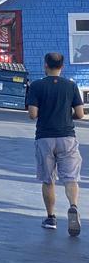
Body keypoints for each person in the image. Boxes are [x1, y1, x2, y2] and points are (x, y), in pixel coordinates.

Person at [27, 52, 85, 235]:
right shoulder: (71, 86)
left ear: (45, 65)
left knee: (48, 179)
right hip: (67, 136)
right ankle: (73, 206)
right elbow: (81, 114)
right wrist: (68, 116)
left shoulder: (36, 86)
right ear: (62, 66)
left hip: (45, 137)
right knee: (70, 177)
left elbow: (32, 114)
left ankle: (51, 217)